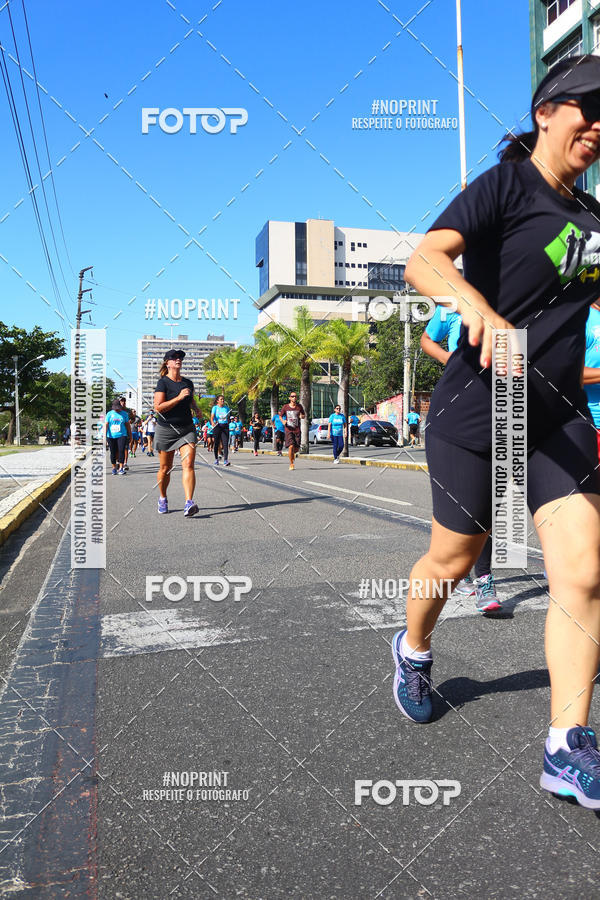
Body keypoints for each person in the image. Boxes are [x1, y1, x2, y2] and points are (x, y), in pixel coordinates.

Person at [393, 55, 600, 810]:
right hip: (477, 407)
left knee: (582, 573)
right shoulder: (506, 185)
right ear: (547, 111)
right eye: (589, 105)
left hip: (556, 417)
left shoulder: (593, 221)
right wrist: (478, 311)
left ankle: (566, 746)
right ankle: (414, 649)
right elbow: (426, 257)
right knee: (457, 553)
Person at [422, 306, 501, 613]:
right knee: (457, 508)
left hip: (506, 403)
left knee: (488, 505)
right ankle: (465, 572)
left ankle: (483, 577)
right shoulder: (451, 302)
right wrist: (452, 361)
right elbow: (428, 340)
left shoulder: (518, 289)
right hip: (460, 406)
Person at [153, 349, 199, 516]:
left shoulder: (188, 382)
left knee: (188, 464)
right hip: (166, 429)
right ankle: (163, 498)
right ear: (168, 363)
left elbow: (190, 399)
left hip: (186, 429)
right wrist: (178, 398)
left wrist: (197, 409)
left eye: (180, 357)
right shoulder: (163, 383)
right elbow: (158, 408)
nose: (178, 359)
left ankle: (188, 502)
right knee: (166, 468)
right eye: (174, 358)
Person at [280, 391, 305, 471]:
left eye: (295, 396)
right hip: (289, 429)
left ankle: (292, 456)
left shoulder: (299, 406)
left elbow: (303, 415)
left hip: (297, 429)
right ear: (289, 398)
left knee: (296, 449)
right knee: (291, 446)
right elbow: (280, 416)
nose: (294, 398)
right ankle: (291, 463)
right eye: (292, 396)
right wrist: (283, 421)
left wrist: (302, 416)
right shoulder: (285, 407)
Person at [105, 399, 131, 475]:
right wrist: (104, 437)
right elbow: (106, 425)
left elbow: (127, 425)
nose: (117, 409)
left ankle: (121, 468)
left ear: (120, 406)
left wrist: (130, 435)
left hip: (122, 435)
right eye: (115, 407)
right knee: (113, 452)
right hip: (111, 436)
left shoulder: (124, 414)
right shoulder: (109, 414)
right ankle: (114, 468)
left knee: (121, 450)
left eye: (118, 407)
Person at [211, 395, 231, 467]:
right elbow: (212, 417)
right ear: (217, 401)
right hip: (217, 426)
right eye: (221, 399)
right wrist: (213, 423)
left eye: (223, 399)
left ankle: (226, 460)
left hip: (225, 427)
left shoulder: (226, 408)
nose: (223, 400)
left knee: (225, 444)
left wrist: (227, 420)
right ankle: (216, 459)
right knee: (216, 443)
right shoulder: (215, 408)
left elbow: (229, 417)